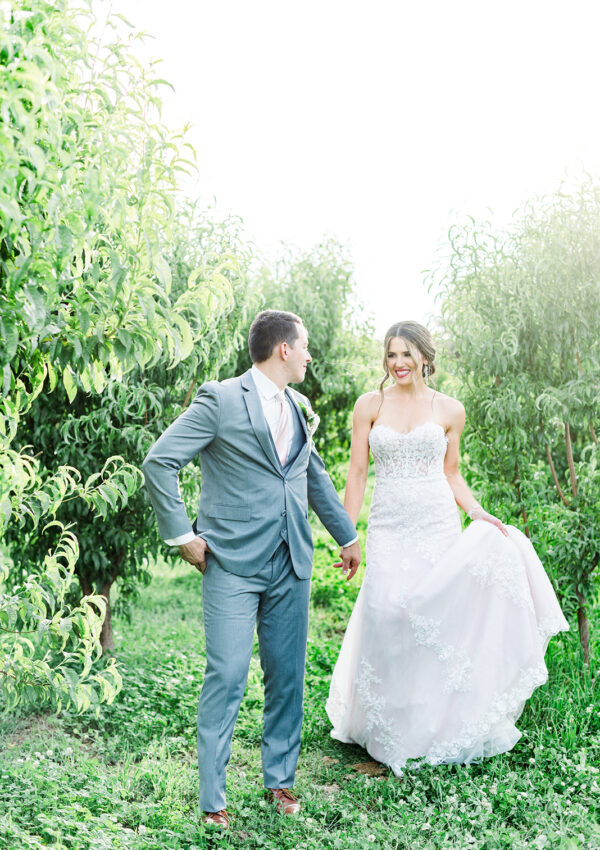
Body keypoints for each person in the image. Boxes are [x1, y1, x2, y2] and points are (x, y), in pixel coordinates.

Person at [142, 310, 360, 828]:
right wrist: (182, 537)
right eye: (304, 346)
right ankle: (213, 799)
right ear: (284, 348)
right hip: (232, 563)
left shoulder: (301, 407)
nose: (310, 356)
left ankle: (279, 782)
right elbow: (159, 461)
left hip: (292, 560)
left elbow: (312, 478)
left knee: (287, 678)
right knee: (228, 674)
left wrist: (347, 536)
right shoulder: (219, 399)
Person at [326, 320, 569, 775]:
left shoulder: (450, 409)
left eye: (406, 354)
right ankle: (386, 728)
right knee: (385, 613)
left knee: (430, 616)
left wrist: (477, 512)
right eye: (391, 354)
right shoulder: (369, 405)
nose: (398, 363)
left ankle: (433, 723)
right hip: (389, 524)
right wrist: (347, 534)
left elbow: (451, 472)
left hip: (436, 523)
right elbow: (357, 473)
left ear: (424, 356)